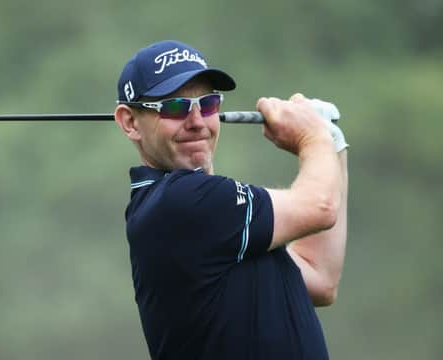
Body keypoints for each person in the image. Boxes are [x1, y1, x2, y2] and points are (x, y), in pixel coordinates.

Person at [113, 40, 348, 359]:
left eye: (207, 104)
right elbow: (320, 206)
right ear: (130, 122)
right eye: (174, 107)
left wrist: (333, 144)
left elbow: (320, 277)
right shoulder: (178, 202)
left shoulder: (223, 227)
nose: (197, 122)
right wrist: (313, 137)